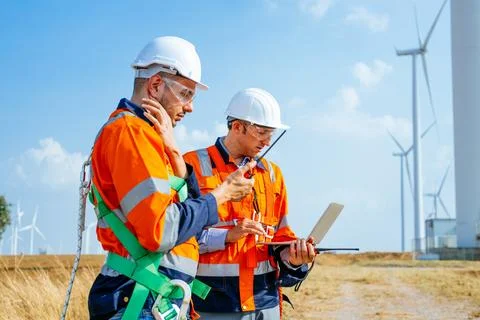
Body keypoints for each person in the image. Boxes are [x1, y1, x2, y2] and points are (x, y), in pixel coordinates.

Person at [87, 36, 256, 320]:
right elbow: (161, 230)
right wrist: (222, 194)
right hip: (138, 296)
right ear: (155, 85)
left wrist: (175, 154)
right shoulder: (130, 133)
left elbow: (187, 219)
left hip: (153, 296)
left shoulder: (151, 139)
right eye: (186, 94)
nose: (190, 107)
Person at [183, 88, 316, 320]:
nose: (267, 141)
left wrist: (294, 259)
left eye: (271, 134)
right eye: (262, 132)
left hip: (265, 303)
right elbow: (177, 234)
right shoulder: (191, 165)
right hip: (210, 305)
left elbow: (281, 238)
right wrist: (226, 236)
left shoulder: (273, 174)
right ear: (237, 127)